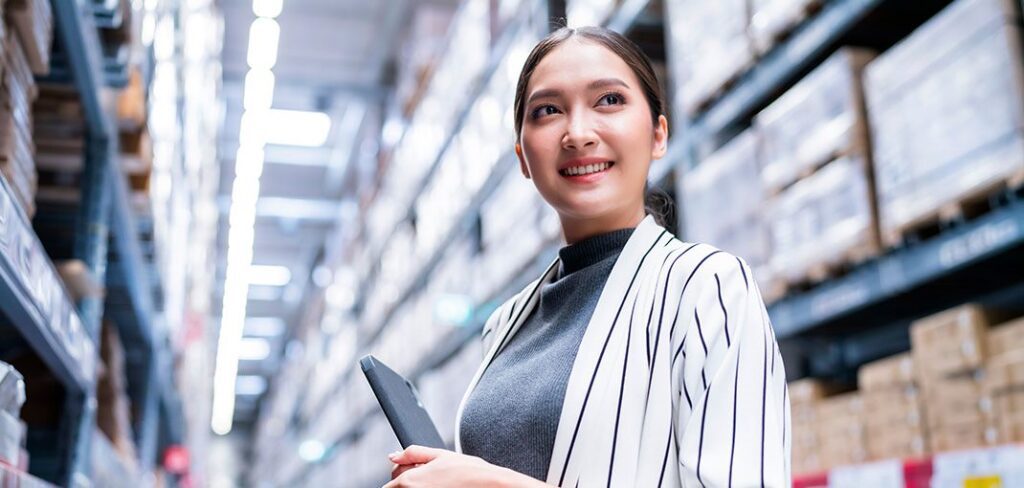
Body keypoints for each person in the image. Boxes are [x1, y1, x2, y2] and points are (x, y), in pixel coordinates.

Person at [385, 26, 790, 488]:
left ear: (658, 134)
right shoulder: (506, 324)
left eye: (609, 101)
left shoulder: (707, 287)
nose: (577, 134)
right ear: (522, 156)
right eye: (548, 111)